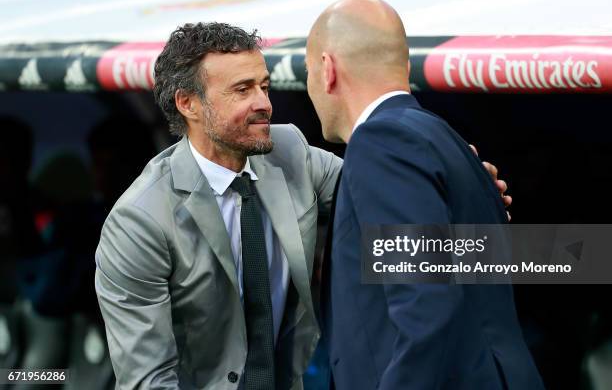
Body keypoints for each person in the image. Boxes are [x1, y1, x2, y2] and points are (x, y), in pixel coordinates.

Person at [95, 22, 509, 389]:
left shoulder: (290, 149)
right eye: (243, 90)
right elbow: (148, 380)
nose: (264, 103)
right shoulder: (139, 222)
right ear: (189, 104)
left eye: (264, 85)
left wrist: (460, 184)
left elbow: (388, 191)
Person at [305, 0, 545, 390]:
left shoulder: (380, 142)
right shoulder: (440, 138)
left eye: (311, 73)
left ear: (327, 70)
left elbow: (426, 305)